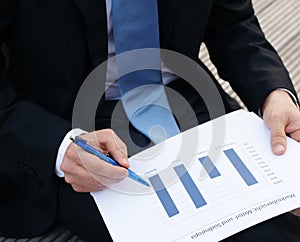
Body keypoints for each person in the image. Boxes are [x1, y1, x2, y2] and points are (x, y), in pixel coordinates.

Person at [1, 0, 300, 241]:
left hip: (179, 90)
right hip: (61, 122)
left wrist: (274, 93)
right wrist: (59, 146)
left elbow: (233, 25)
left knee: (268, 224)